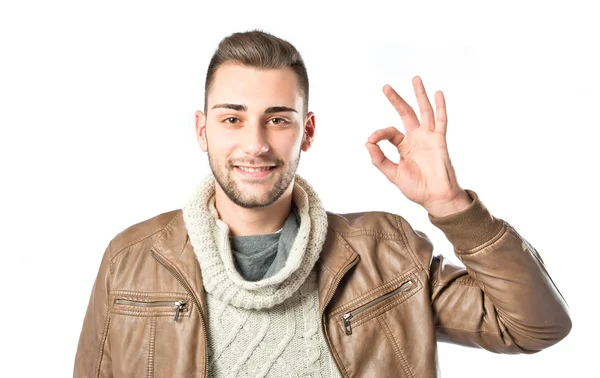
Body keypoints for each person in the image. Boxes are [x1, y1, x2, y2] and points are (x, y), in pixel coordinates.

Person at [73, 30, 571, 378]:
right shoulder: (131, 262)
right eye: (231, 119)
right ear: (202, 129)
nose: (256, 144)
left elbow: (535, 326)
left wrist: (451, 206)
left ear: (306, 132)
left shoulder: (386, 253)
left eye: (278, 119)